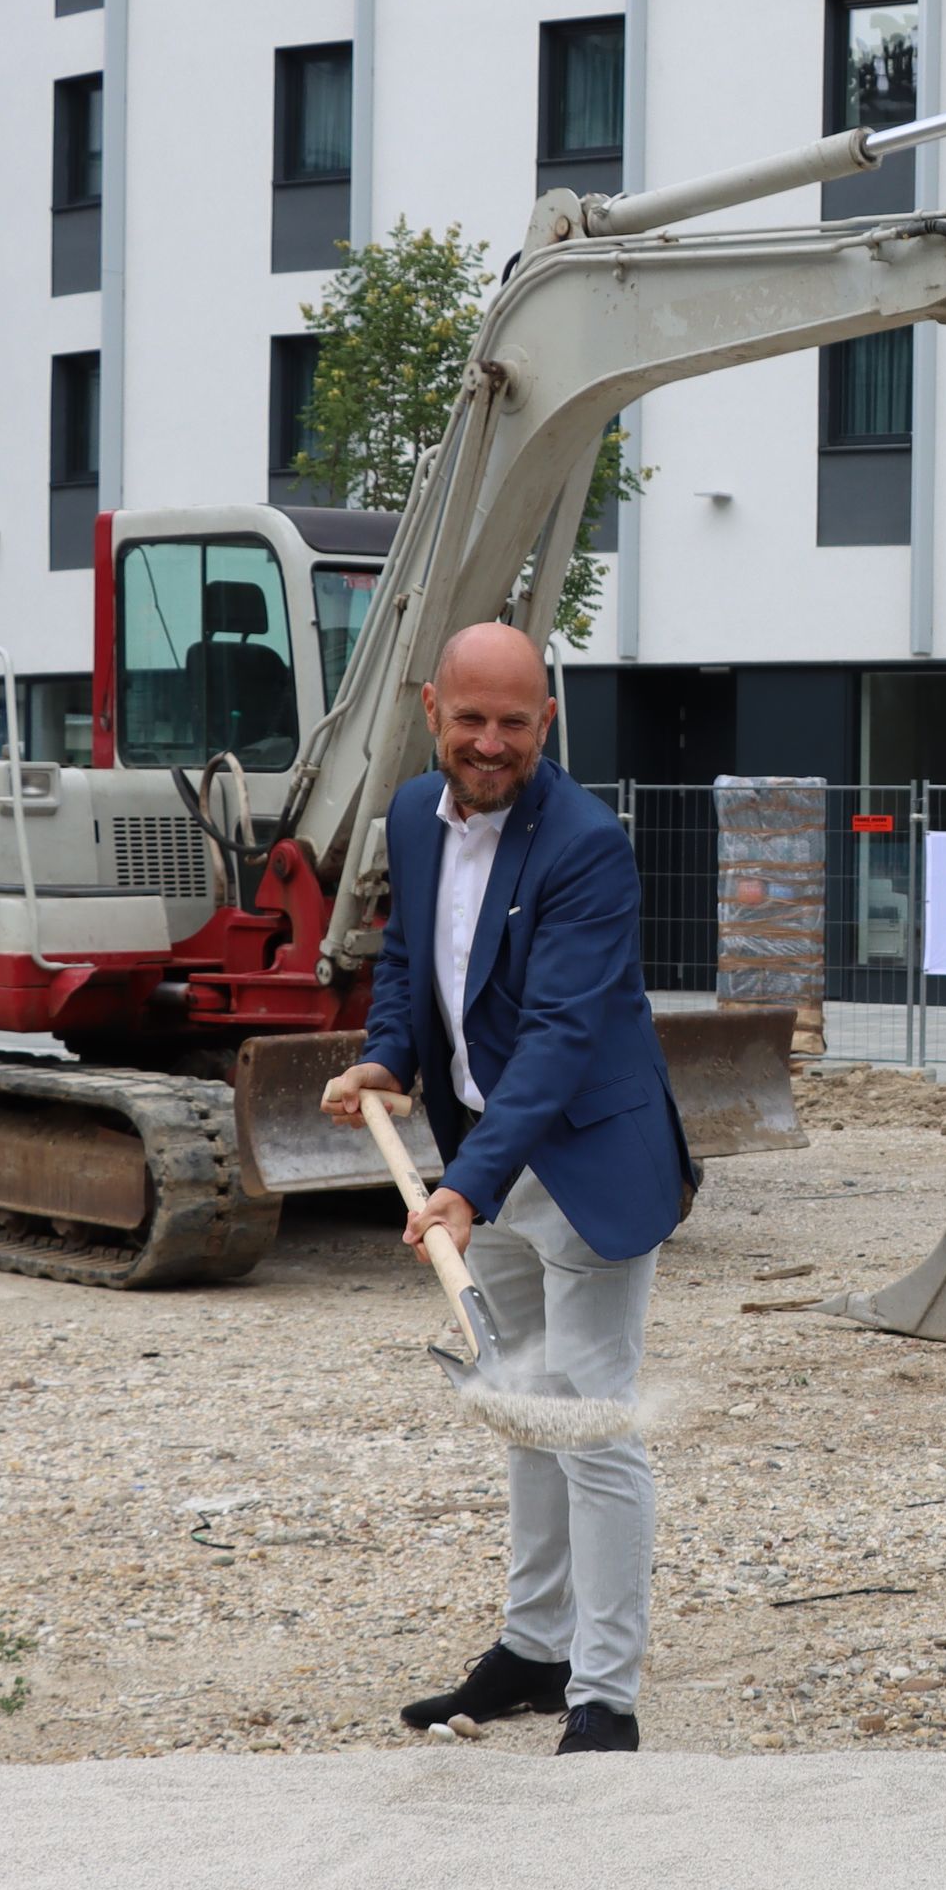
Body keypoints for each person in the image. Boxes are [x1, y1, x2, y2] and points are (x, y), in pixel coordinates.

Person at [325, 622, 696, 1754]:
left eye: (515, 722)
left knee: (589, 1423)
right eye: (471, 719)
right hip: (484, 1148)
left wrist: (467, 1189)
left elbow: (558, 1036)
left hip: (583, 1161)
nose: (490, 744)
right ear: (432, 706)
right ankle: (534, 1650)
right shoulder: (407, 814)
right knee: (521, 1414)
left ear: (547, 720)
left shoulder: (586, 844)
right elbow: (409, 965)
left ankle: (606, 1696)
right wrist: (390, 1055)